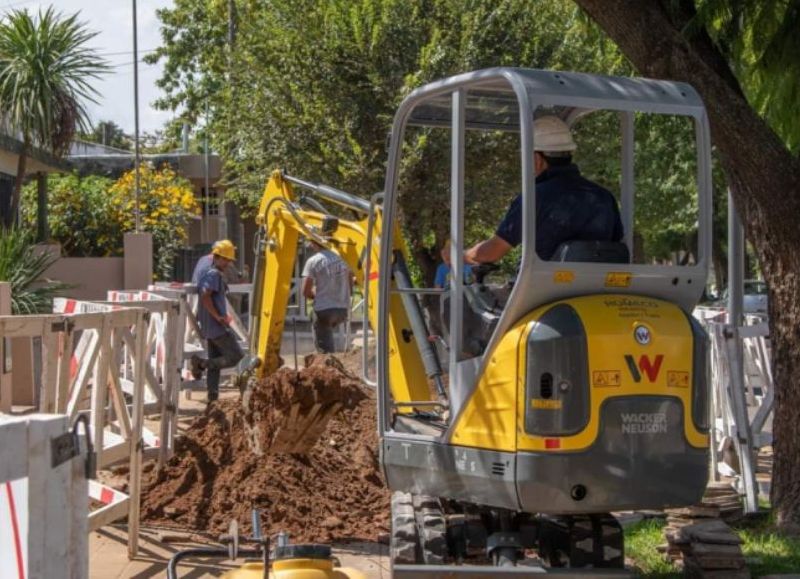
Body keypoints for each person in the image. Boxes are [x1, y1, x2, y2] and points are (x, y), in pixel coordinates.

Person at [465, 115, 623, 265]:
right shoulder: (605, 197)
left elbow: (492, 252)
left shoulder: (534, 198)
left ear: (536, 159)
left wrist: (462, 255)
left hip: (543, 290)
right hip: (598, 288)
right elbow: (616, 245)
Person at [190, 240, 244, 402]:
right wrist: (218, 316)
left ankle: (212, 399)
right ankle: (201, 364)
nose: (228, 264)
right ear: (217, 257)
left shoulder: (205, 267)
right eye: (226, 260)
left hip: (209, 325)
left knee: (216, 361)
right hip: (216, 326)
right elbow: (205, 295)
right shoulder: (213, 273)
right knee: (236, 356)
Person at [302, 240, 353, 353]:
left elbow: (305, 291)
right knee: (327, 331)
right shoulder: (344, 259)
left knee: (325, 350)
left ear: (316, 243)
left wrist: (315, 294)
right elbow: (350, 285)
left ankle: (326, 361)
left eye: (311, 243)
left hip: (324, 310)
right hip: (342, 310)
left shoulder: (313, 261)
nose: (310, 245)